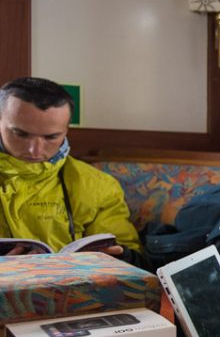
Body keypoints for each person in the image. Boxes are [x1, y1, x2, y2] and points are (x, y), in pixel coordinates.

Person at [0, 77, 144, 266]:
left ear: (66, 130)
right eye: (20, 134)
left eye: (51, 137)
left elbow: (127, 251)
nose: (34, 150)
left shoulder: (98, 186)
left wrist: (119, 255)